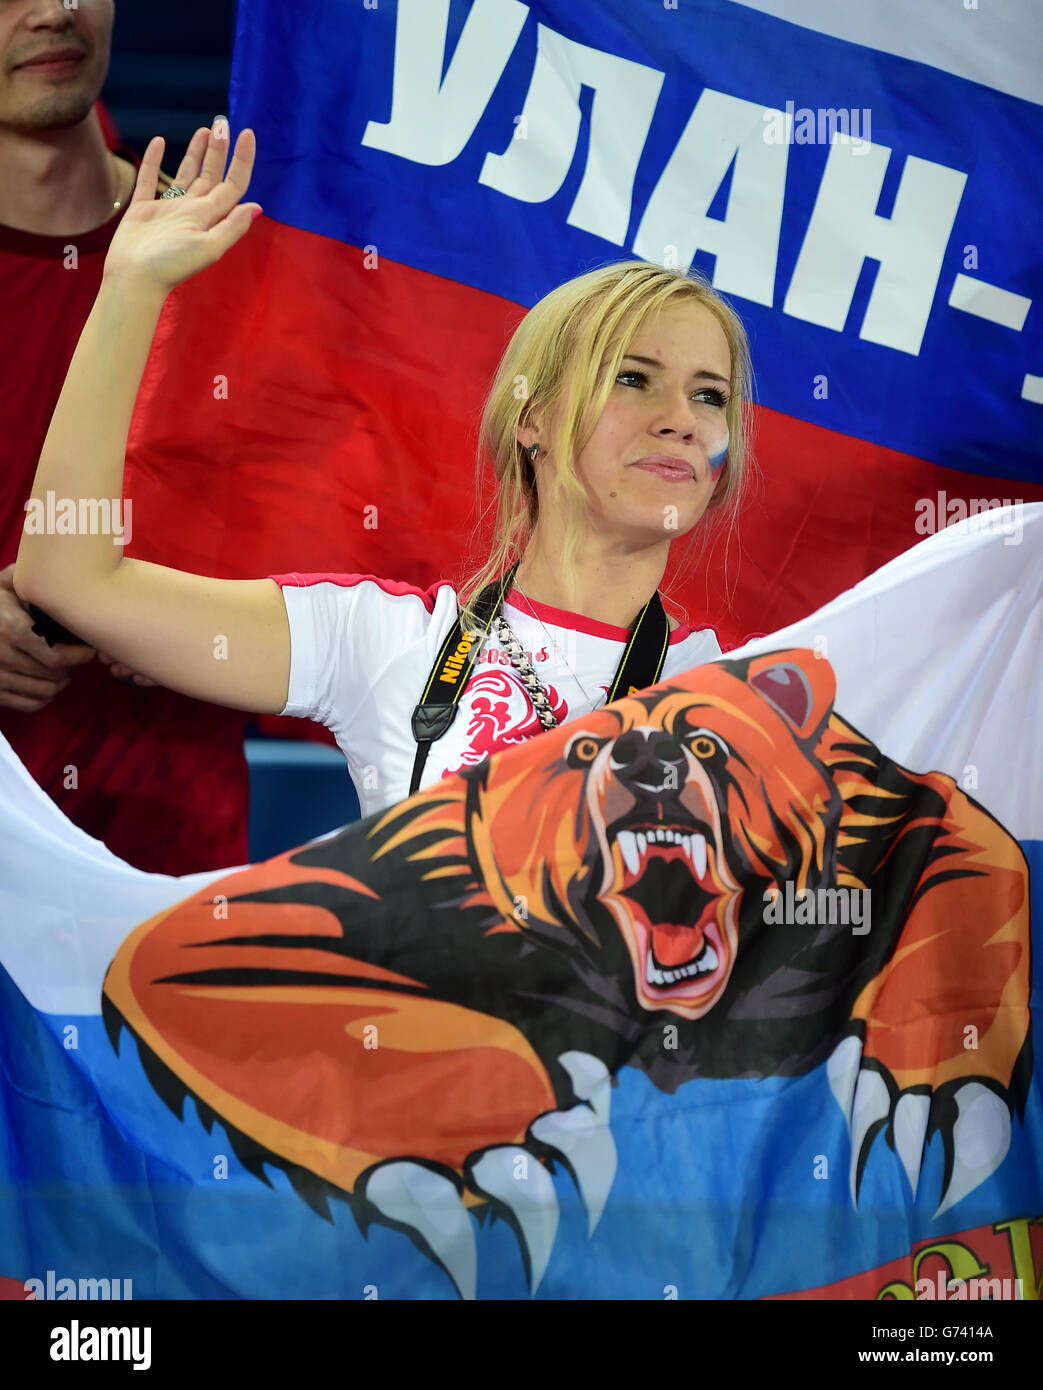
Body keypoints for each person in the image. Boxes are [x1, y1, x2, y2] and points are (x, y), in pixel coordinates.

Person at [14, 121, 755, 819]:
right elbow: (70, 580)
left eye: (708, 395)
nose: (681, 419)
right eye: (632, 377)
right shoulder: (379, 640)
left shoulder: (751, 701)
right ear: (531, 418)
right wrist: (130, 289)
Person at [0, 0, 251, 874]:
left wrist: (200, 603)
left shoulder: (225, 251)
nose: (55, 10)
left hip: (172, 842)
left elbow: (333, 519)